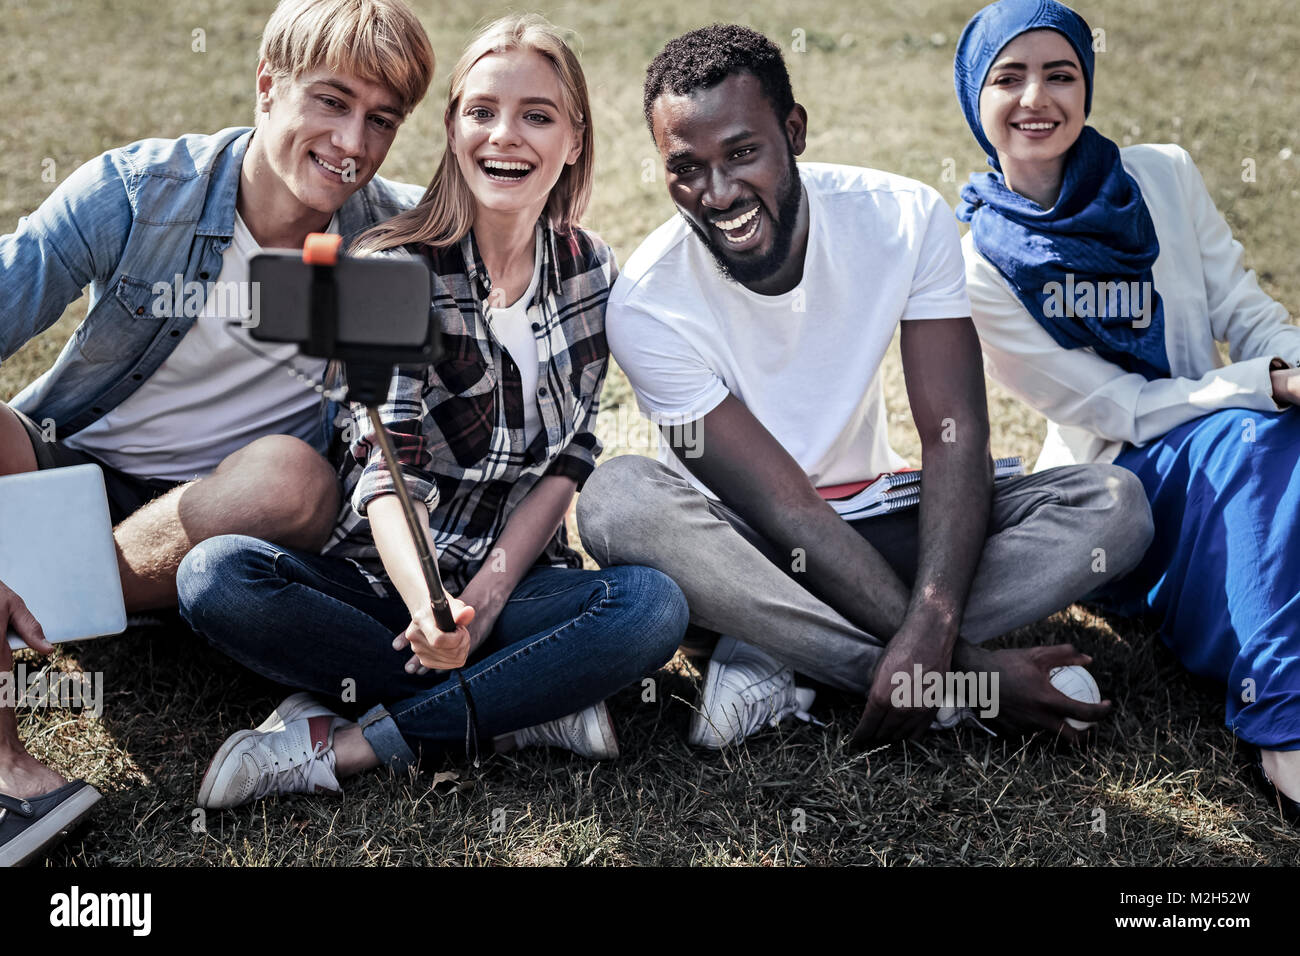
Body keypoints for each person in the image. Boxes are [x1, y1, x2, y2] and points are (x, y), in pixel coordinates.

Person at [576, 23, 1154, 752]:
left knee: (1114, 507)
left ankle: (784, 657)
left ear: (794, 130)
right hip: (739, 553)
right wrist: (971, 671)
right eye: (686, 167)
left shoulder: (905, 218)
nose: (718, 193)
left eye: (743, 152)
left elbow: (957, 436)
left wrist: (934, 620)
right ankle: (920, 677)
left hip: (879, 528)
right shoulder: (647, 302)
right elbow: (781, 505)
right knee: (616, 499)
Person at [176, 14, 688, 810]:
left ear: (575, 140)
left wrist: (483, 602)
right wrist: (430, 611)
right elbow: (386, 471)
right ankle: (528, 707)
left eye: (536, 115)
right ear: (453, 130)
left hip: (514, 584)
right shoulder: (393, 267)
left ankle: (351, 744)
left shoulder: (592, 271)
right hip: (382, 590)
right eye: (481, 111)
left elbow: (572, 457)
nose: (504, 136)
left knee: (652, 608)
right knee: (216, 578)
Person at [0, 0, 435, 866]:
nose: (353, 142)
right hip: (71, 476)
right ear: (268, 87)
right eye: (331, 101)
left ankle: (49, 605)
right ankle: (6, 765)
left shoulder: (390, 244)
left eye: (381, 119)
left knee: (293, 475)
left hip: (230, 525)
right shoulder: (137, 194)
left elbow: (523, 241)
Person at [953, 0, 1300, 824]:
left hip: (1230, 436)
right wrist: (1264, 387)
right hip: (1120, 481)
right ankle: (1282, 720)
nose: (1037, 96)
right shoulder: (979, 268)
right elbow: (1119, 407)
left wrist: (1290, 363)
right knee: (1258, 440)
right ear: (976, 97)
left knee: (1272, 440)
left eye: (1060, 74)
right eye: (1009, 77)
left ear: (1087, 84)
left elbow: (1246, 312)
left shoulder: (1163, 175)